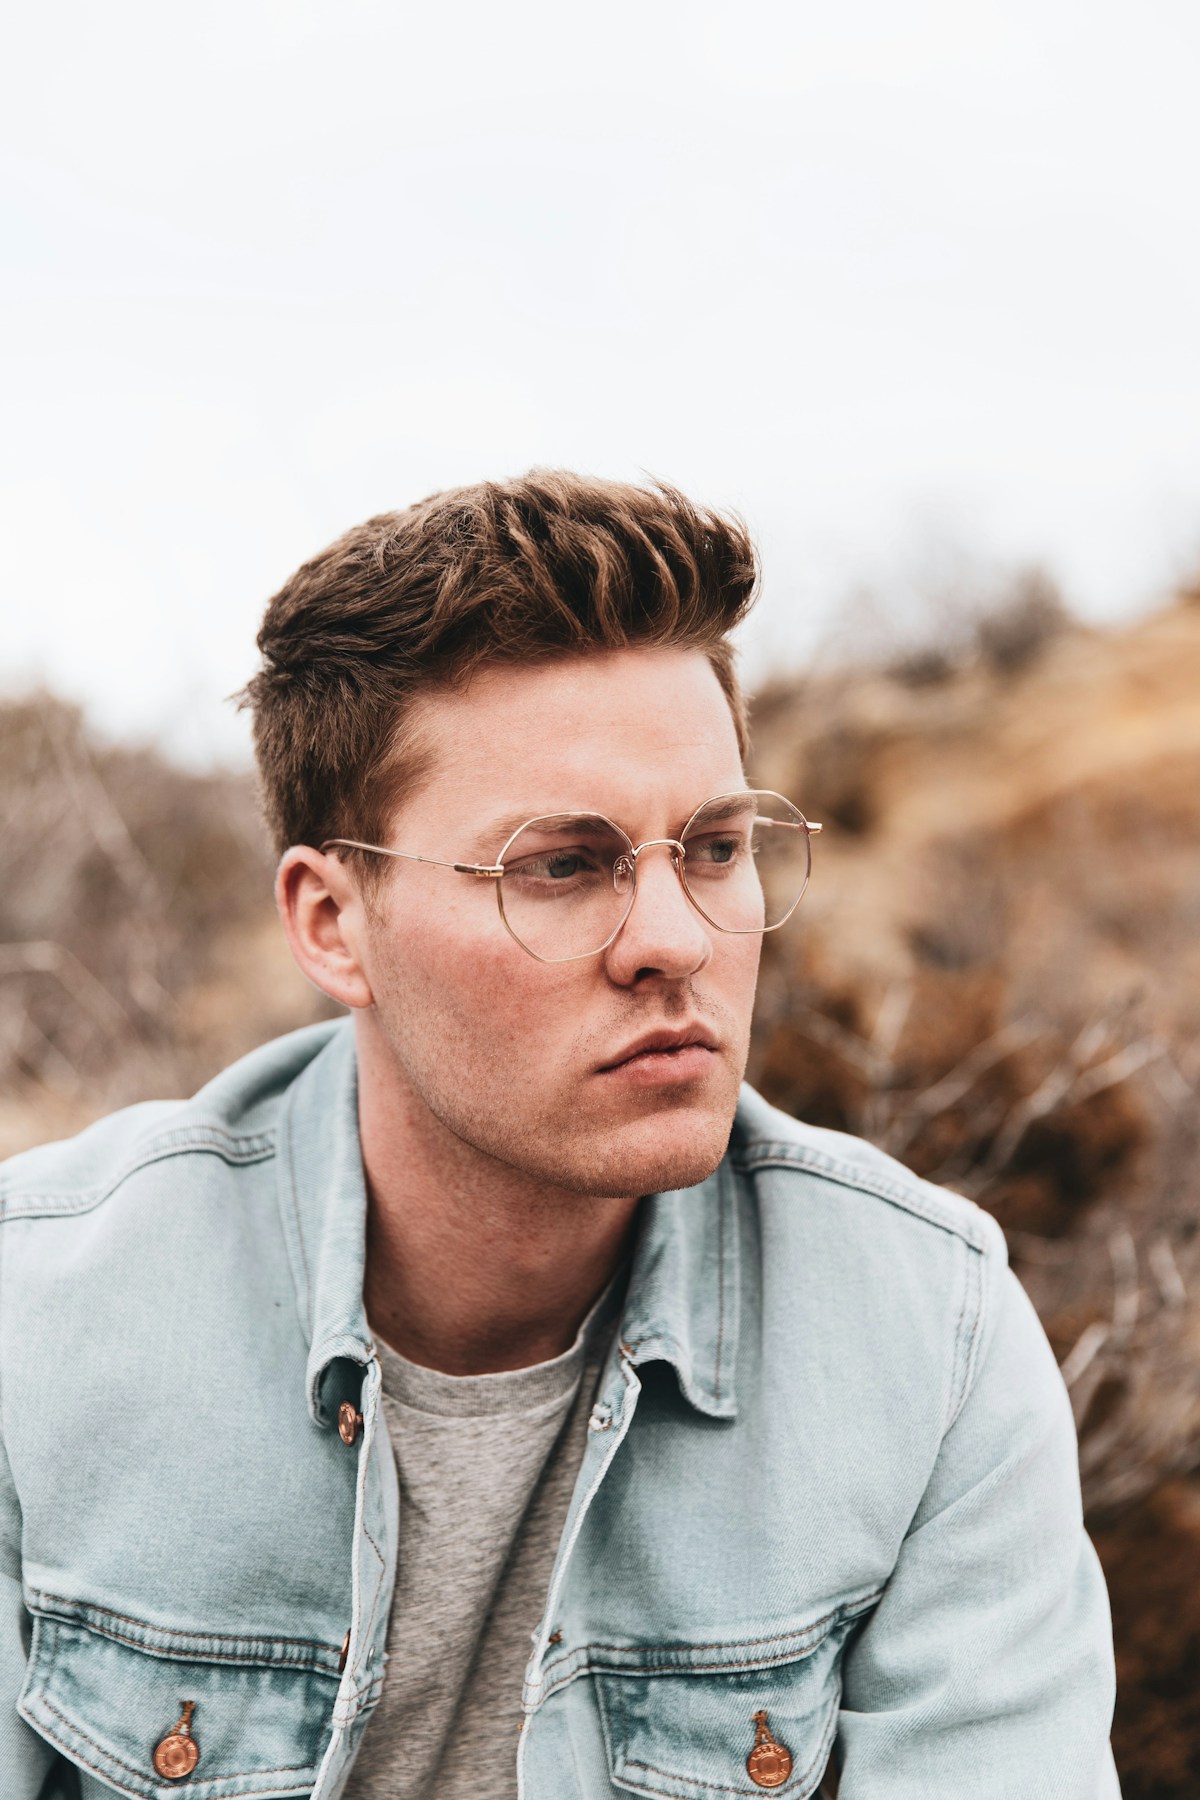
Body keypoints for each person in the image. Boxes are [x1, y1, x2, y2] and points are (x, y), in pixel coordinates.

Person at [0, 472, 1118, 1800]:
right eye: (562, 865)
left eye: (714, 846)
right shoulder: (38, 1319)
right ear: (330, 924)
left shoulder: (926, 1341)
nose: (675, 940)